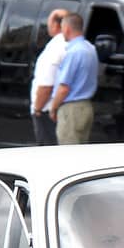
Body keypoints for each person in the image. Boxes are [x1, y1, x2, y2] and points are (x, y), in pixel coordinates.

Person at [47, 12, 97, 145]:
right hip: (86, 106)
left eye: (62, 28)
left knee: (68, 153)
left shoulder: (74, 52)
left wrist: (53, 107)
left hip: (71, 109)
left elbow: (64, 88)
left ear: (67, 28)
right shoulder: (90, 49)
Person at [30, 8, 68, 146]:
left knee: (46, 151)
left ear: (55, 24)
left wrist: (37, 109)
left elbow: (46, 85)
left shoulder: (55, 48)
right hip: (62, 108)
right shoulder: (70, 45)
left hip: (47, 109)